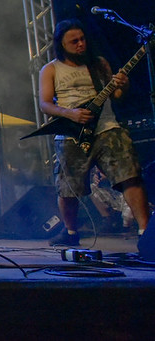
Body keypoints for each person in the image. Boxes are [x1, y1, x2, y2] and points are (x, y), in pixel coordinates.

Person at [39, 18, 150, 246]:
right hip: (73, 134)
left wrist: (123, 85)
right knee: (68, 187)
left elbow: (116, 97)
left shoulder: (99, 64)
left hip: (108, 129)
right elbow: (45, 104)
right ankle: (70, 233)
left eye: (82, 39)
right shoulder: (50, 69)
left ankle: (146, 232)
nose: (81, 44)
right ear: (62, 45)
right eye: (74, 42)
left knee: (129, 177)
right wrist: (70, 114)